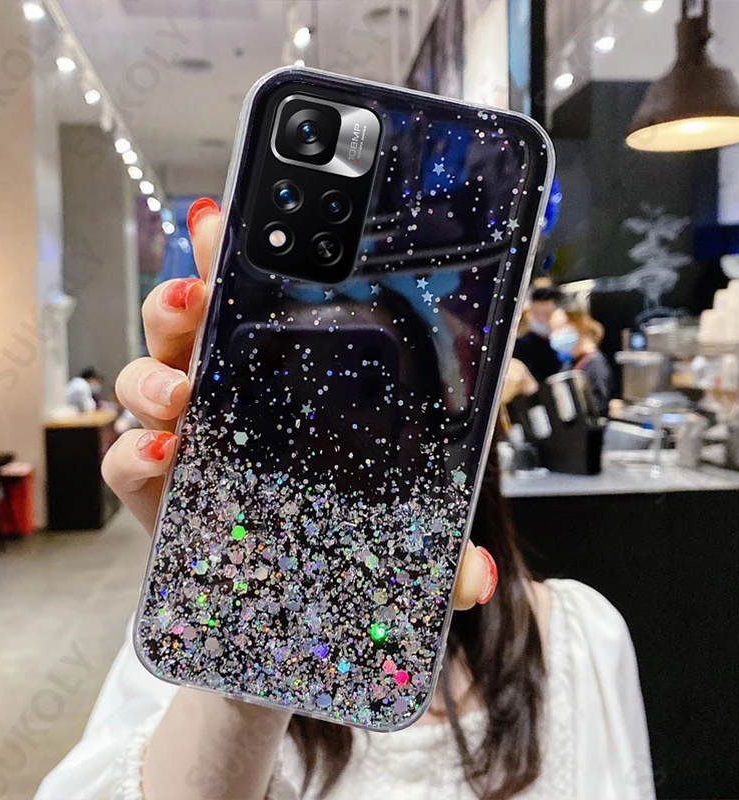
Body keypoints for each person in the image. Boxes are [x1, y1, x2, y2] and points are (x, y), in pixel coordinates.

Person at [35, 199, 654, 800]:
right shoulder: (191, 631)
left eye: (367, 377)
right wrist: (251, 630)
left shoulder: (585, 642)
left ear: (431, 424)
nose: (327, 424)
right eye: (288, 392)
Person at [549, 304, 614, 417]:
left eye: (561, 327)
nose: (554, 335)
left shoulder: (595, 364)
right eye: (552, 330)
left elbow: (597, 408)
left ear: (579, 324)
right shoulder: (569, 363)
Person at [512, 287, 563, 383]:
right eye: (538, 315)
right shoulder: (522, 345)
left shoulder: (564, 340)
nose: (543, 320)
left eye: (547, 315)